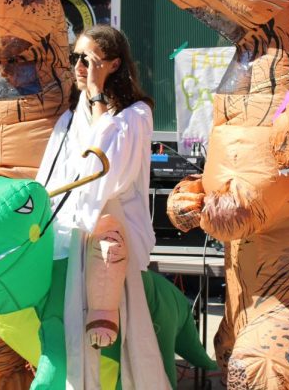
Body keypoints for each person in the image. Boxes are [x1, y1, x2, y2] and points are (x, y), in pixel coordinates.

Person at [33, 25, 170, 388]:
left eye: (88, 59)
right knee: (68, 332)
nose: (78, 66)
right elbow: (52, 175)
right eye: (74, 57)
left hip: (112, 234)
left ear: (113, 64)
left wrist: (96, 95)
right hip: (69, 234)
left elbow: (102, 170)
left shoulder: (136, 114)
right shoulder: (69, 115)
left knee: (117, 335)